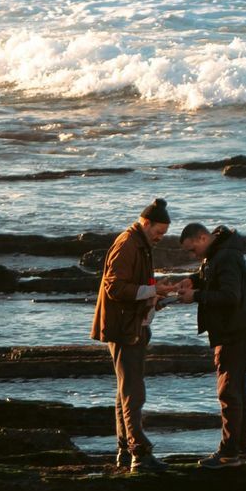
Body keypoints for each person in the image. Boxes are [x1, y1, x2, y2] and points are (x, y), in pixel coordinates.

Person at [90, 198, 173, 474]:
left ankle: (124, 453)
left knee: (125, 390)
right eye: (159, 231)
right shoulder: (128, 245)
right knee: (133, 392)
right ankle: (139, 453)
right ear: (146, 223)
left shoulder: (140, 243)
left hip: (130, 324)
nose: (161, 237)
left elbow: (134, 287)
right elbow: (115, 288)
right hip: (126, 329)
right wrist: (153, 291)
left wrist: (158, 295)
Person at [178, 218, 246, 464]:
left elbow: (230, 295)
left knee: (228, 393)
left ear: (203, 238)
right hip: (238, 328)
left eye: (193, 249)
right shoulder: (219, 251)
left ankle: (229, 453)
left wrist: (196, 296)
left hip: (234, 331)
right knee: (238, 391)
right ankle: (242, 450)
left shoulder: (225, 256)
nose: (193, 255)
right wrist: (194, 279)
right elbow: (213, 275)